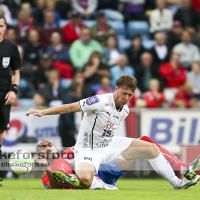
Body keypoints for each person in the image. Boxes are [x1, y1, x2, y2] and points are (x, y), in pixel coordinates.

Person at [26, 74, 200, 190]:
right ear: (116, 88)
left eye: (130, 95)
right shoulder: (100, 101)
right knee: (85, 180)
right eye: (124, 93)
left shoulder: (125, 110)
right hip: (88, 149)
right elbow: (72, 107)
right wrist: (43, 112)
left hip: (110, 144)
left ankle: (177, 183)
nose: (126, 98)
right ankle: (105, 186)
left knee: (151, 148)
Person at [34, 137, 200, 189]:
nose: (48, 148)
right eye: (43, 147)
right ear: (39, 154)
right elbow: (54, 188)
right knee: (63, 166)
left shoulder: (70, 150)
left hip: (107, 168)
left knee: (144, 143)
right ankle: (85, 182)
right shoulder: (50, 169)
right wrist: (48, 168)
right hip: (92, 178)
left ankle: (182, 169)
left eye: (50, 144)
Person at [0, 16, 21, 184]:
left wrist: (14, 90)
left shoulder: (11, 47)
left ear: (5, 27)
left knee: (0, 135)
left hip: (3, 96)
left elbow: (17, 72)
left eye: (1, 26)